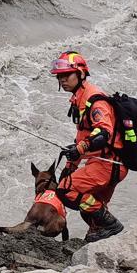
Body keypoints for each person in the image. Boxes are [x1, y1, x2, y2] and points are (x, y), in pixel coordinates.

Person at [50, 50, 127, 241]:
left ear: (81, 74)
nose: (62, 80)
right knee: (90, 206)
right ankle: (99, 235)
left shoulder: (95, 100)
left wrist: (81, 149)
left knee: (66, 190)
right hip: (104, 162)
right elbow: (83, 137)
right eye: (60, 77)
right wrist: (70, 166)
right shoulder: (79, 98)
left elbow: (103, 132)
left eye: (67, 75)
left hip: (108, 164)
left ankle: (110, 223)